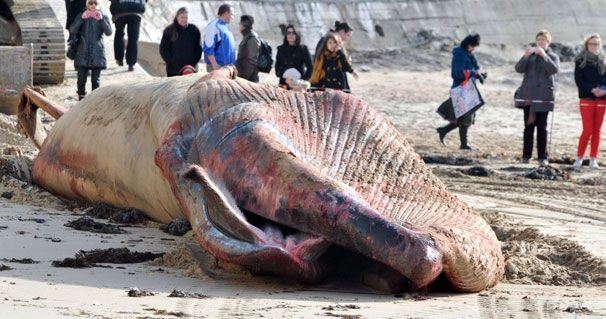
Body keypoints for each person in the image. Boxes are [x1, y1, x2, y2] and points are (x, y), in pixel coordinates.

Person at [514, 30, 560, 166]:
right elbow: (518, 69)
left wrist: (544, 56)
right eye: (538, 39)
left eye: (543, 40)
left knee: (542, 126)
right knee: (528, 126)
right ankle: (526, 156)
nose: (540, 42)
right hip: (529, 95)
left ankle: (542, 157)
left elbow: (553, 70)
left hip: (543, 96)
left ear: (548, 42)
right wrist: (525, 57)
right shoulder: (531, 56)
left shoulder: (553, 56)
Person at [436, 33, 486, 150]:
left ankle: (445, 131)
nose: (473, 49)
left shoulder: (468, 54)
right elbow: (457, 73)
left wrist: (480, 75)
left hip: (468, 89)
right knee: (464, 116)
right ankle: (461, 143)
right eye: (473, 46)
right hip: (461, 88)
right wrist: (474, 73)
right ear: (468, 44)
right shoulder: (459, 54)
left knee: (465, 117)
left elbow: (473, 68)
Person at [572, 33, 606, 169]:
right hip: (587, 97)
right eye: (592, 43)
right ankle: (579, 158)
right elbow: (579, 80)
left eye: (597, 44)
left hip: (602, 98)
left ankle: (593, 159)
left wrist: (604, 89)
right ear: (587, 44)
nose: (594, 46)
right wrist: (592, 90)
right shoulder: (580, 60)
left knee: (597, 130)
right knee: (588, 129)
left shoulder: (603, 60)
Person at [69, 0, 112, 100]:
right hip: (82, 52)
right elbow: (72, 30)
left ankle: (94, 101)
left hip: (97, 53)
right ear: (87, 4)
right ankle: (81, 98)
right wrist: (81, 18)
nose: (93, 6)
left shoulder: (103, 16)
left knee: (95, 81)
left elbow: (109, 32)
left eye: (95, 3)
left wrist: (101, 20)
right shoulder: (81, 15)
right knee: (81, 80)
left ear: (98, 4)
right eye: (90, 3)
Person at [159, 7, 202, 77]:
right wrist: (171, 62)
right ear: (177, 17)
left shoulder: (194, 30)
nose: (184, 20)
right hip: (173, 71)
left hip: (190, 70)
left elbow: (198, 49)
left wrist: (191, 65)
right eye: (182, 17)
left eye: (186, 18)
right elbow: (163, 50)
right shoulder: (169, 30)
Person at [109, 0, 146, 71]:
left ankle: (119, 59)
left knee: (119, 34)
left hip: (119, 9)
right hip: (136, 9)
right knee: (133, 38)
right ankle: (131, 64)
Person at [275, 24, 313, 89]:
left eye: (293, 33)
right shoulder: (281, 49)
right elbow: (277, 67)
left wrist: (302, 80)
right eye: (288, 33)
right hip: (284, 84)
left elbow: (310, 67)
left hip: (299, 85)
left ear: (297, 35)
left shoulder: (303, 49)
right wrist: (285, 77)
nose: (291, 35)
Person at [203, 3, 236, 72]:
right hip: (217, 67)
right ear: (226, 13)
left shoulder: (224, 26)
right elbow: (208, 47)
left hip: (227, 67)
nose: (233, 16)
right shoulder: (213, 26)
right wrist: (214, 65)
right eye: (232, 14)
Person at [235, 15, 260, 82]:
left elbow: (252, 60)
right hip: (243, 77)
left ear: (244, 25)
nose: (239, 25)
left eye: (240, 23)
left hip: (249, 79)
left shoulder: (252, 38)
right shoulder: (247, 36)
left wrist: (245, 77)